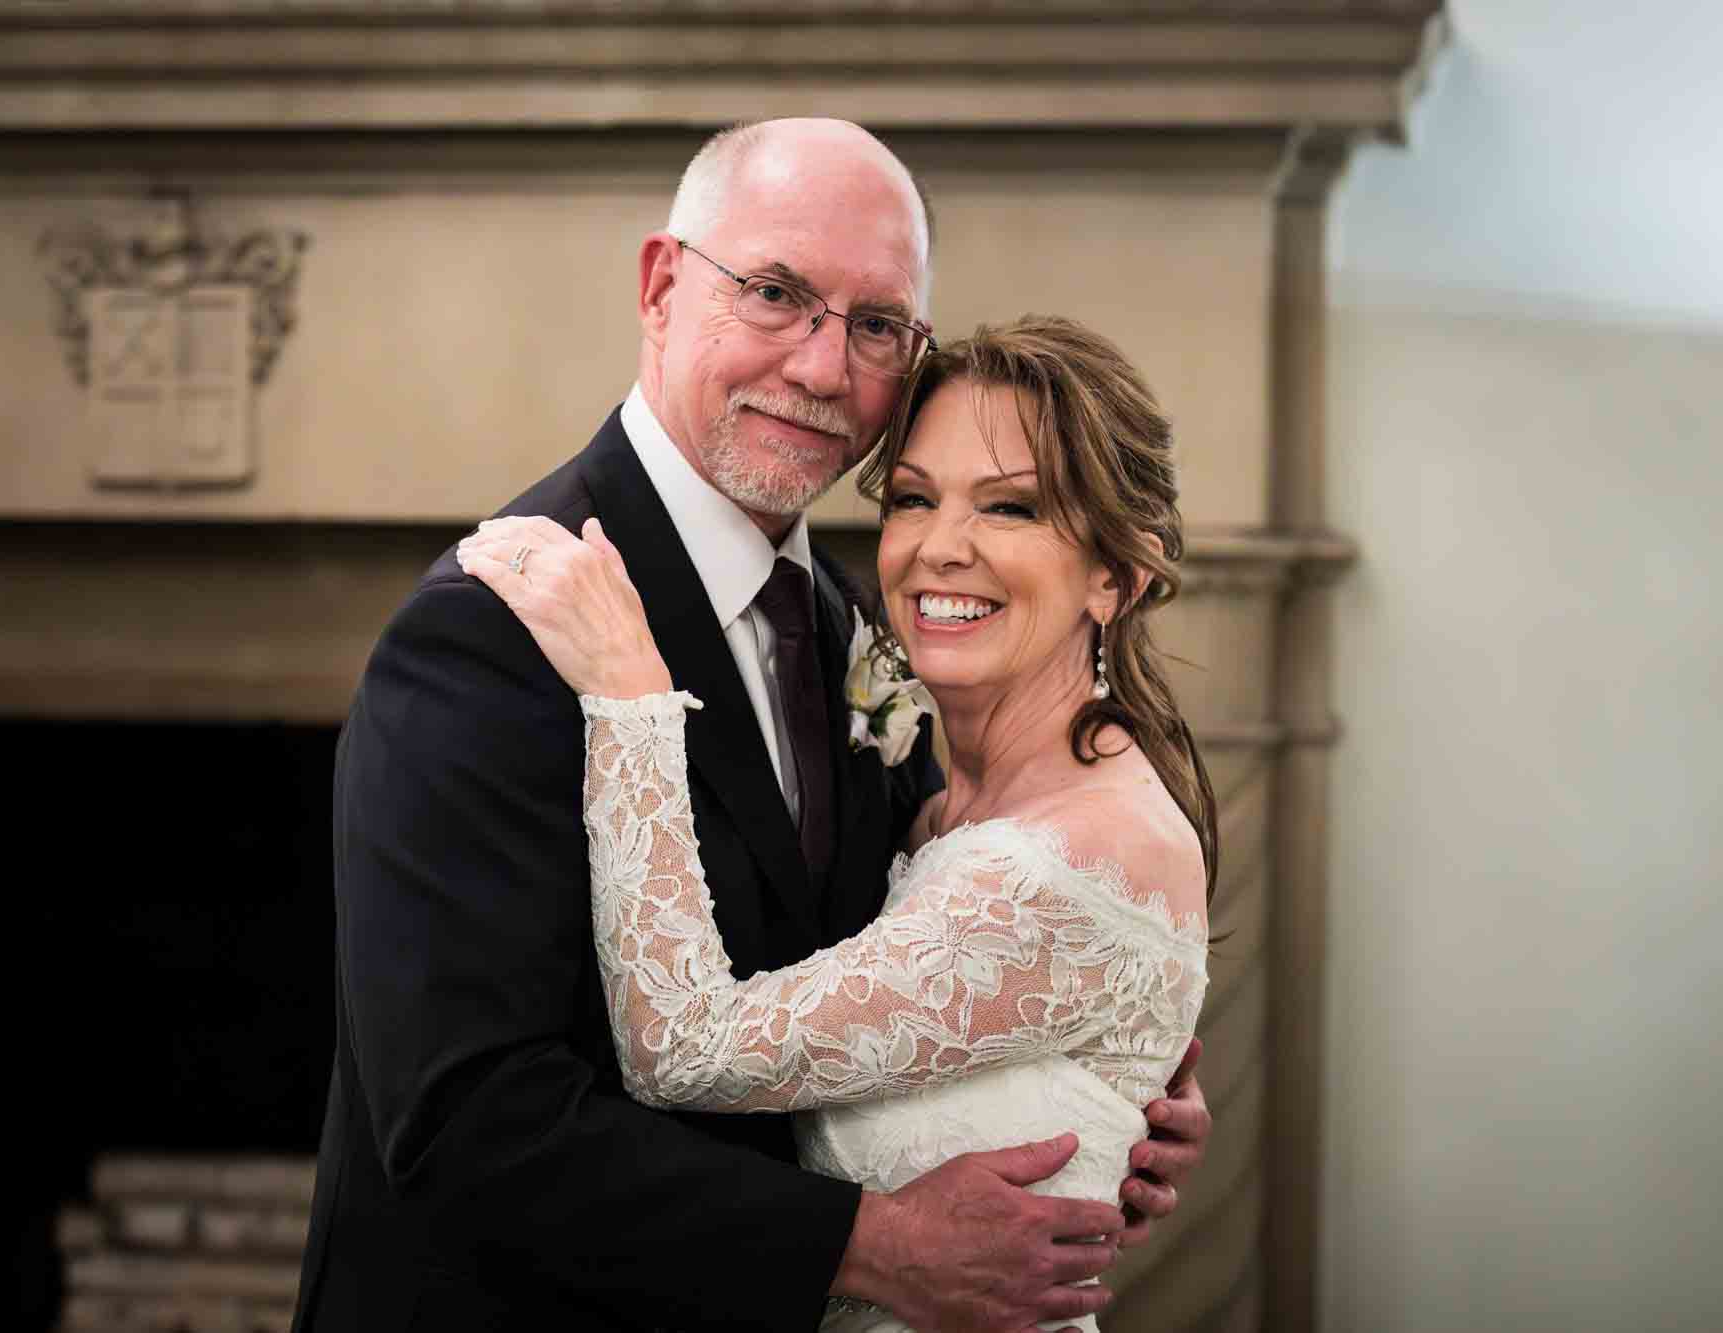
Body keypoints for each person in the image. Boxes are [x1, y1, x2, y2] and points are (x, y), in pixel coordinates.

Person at [291, 119, 1211, 1333]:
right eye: (774, 294)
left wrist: (1095, 1090)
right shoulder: (493, 627)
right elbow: (468, 1121)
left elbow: (890, 974)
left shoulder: (847, 623)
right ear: (662, 286)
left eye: (876, 325)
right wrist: (876, 1243)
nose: (825, 370)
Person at [459, 315, 1215, 1333]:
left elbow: (683, 1048)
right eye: (912, 497)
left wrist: (632, 696)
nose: (940, 547)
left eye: (1011, 506)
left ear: (1115, 575)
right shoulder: (942, 805)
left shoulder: (1072, 859)